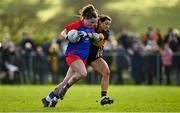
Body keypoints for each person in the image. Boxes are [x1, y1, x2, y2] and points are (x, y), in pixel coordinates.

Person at [42, 4, 100, 107]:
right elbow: (63, 32)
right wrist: (67, 36)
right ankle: (63, 90)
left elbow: (96, 37)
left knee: (65, 81)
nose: (92, 25)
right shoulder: (77, 25)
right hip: (73, 55)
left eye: (94, 23)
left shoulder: (91, 28)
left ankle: (49, 98)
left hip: (83, 58)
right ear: (85, 19)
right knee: (83, 73)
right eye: (91, 22)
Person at [86, 14, 113, 105]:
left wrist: (88, 35)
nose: (107, 26)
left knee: (106, 72)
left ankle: (103, 97)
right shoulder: (91, 27)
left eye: (109, 24)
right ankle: (54, 96)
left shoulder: (106, 32)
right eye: (106, 23)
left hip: (94, 57)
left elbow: (100, 36)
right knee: (73, 78)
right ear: (100, 22)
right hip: (83, 56)